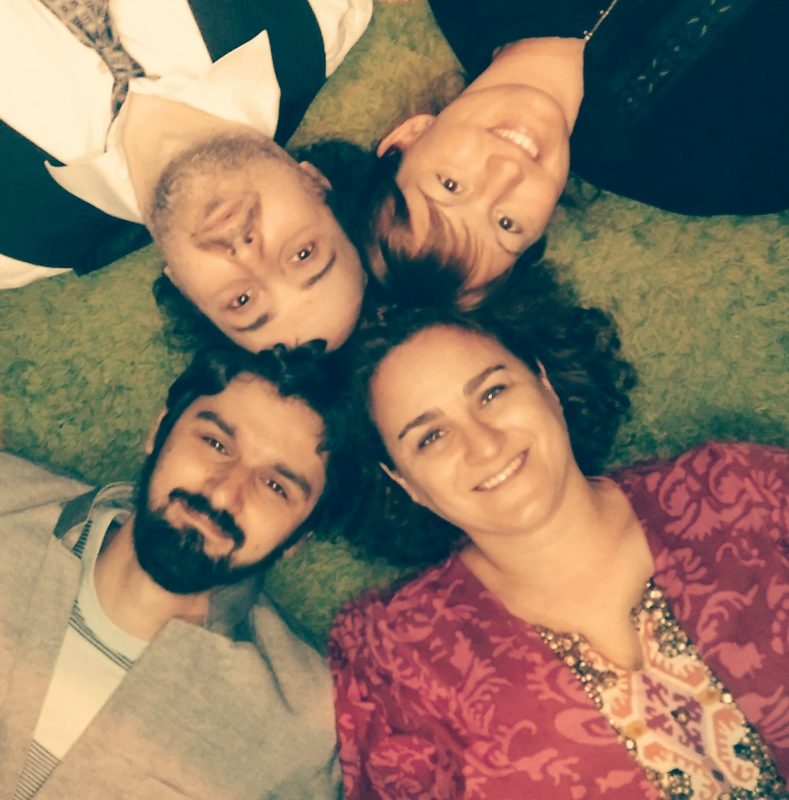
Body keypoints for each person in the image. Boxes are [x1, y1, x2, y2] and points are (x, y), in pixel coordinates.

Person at [329, 302, 789, 798]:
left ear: (545, 384)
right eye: (431, 436)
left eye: (492, 392)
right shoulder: (396, 662)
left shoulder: (738, 495)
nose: (484, 445)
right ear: (404, 482)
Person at [0, 344, 351, 799]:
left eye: (275, 485)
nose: (223, 493)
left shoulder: (309, 727)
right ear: (159, 430)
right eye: (216, 443)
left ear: (298, 539)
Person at [1, 0, 372, 351]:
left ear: (183, 288)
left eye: (242, 300)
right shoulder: (320, 17)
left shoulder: (15, 245)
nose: (248, 254)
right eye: (303, 254)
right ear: (316, 183)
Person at [365, 0, 789, 290]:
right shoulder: (696, 172)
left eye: (451, 185)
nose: (507, 172)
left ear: (410, 135)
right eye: (507, 224)